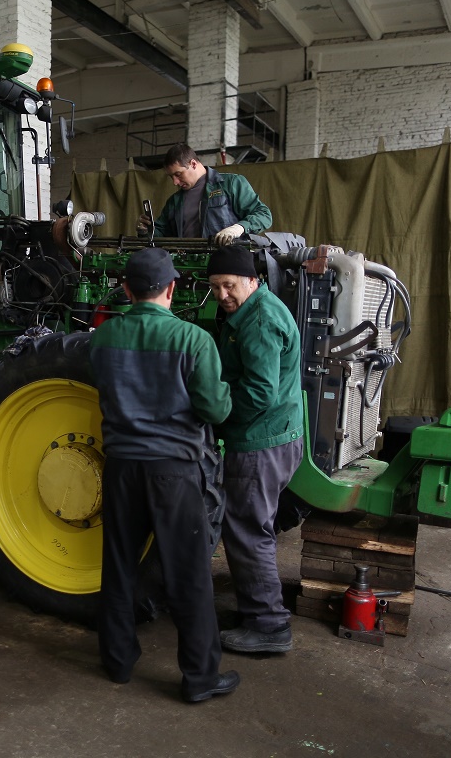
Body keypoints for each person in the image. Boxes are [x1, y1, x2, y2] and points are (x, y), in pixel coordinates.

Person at [89, 247, 239, 703]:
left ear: (128, 290)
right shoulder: (194, 341)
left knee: (118, 567)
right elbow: (214, 408)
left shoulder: (102, 338)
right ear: (172, 289)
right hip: (173, 473)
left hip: (120, 470)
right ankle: (198, 678)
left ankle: (117, 662)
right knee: (189, 574)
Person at [206, 247, 304, 653]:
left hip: (261, 442)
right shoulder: (252, 310)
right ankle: (256, 612)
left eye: (230, 285)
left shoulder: (259, 320)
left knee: (248, 531)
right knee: (253, 527)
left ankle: (269, 626)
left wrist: (213, 419)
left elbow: (259, 392)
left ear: (252, 280)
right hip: (277, 435)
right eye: (215, 287)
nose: (223, 294)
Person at [137, 143, 272, 245]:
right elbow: (162, 236)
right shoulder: (174, 201)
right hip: (189, 266)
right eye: (171, 177)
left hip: (227, 264)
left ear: (194, 164)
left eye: (178, 174)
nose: (175, 182)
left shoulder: (231, 184)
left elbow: (264, 215)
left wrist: (238, 228)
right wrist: (146, 230)